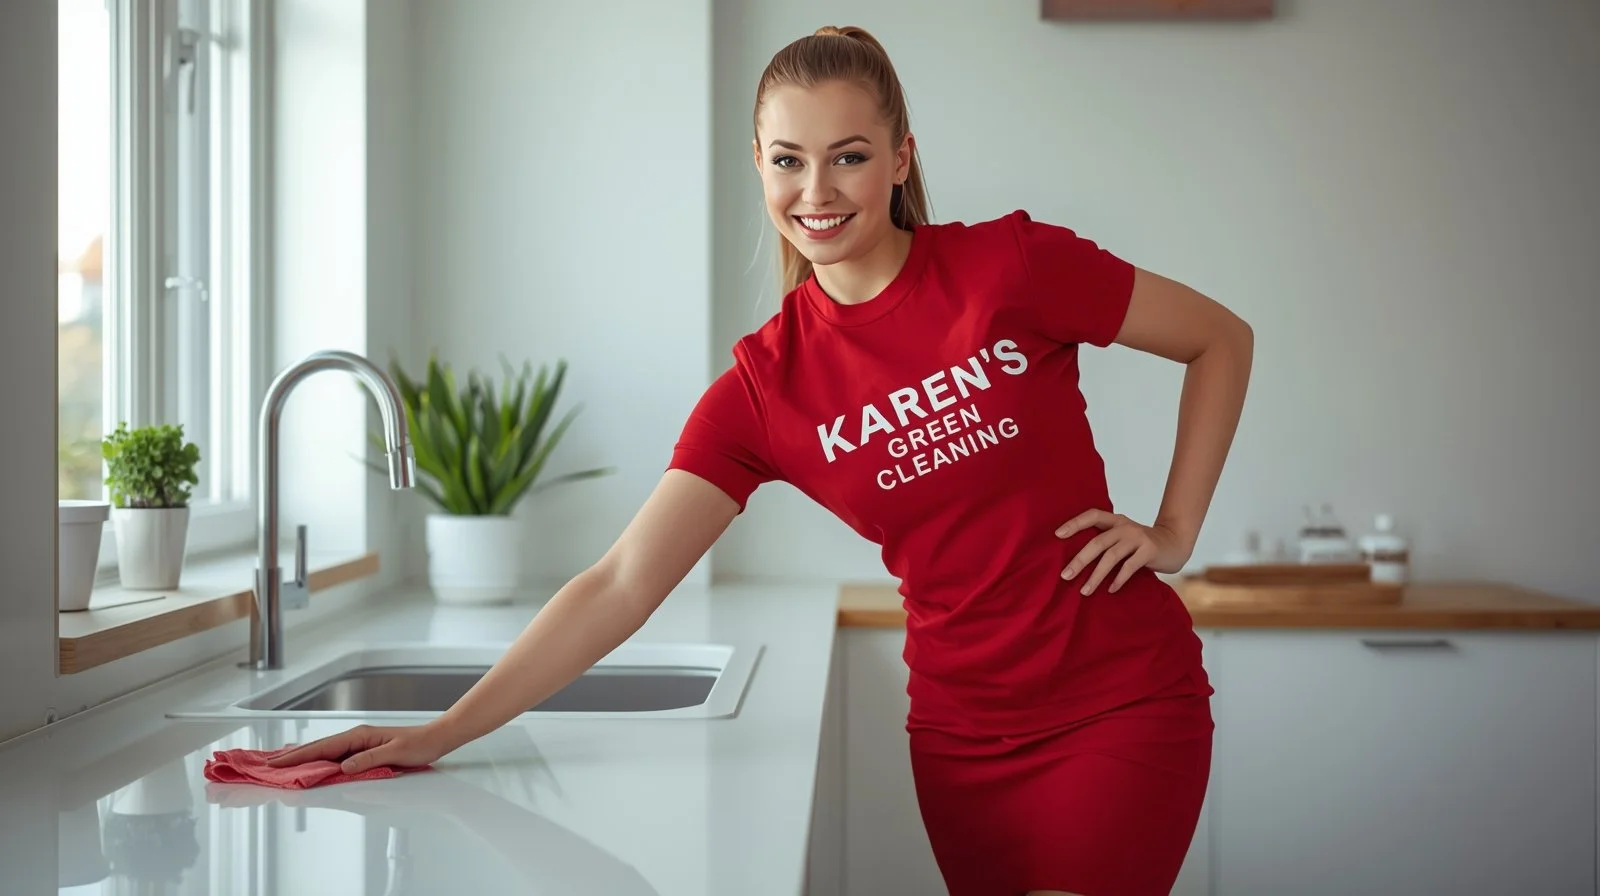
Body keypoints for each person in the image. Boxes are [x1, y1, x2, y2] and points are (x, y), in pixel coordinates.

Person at [271, 24, 1253, 896]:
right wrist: (443, 729)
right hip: (957, 734)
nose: (815, 191)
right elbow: (619, 581)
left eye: (849, 156)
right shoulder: (766, 385)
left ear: (900, 159)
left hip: (1118, 700)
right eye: (788, 159)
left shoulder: (1011, 268)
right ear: (757, 163)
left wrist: (1173, 530)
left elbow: (1218, 336)